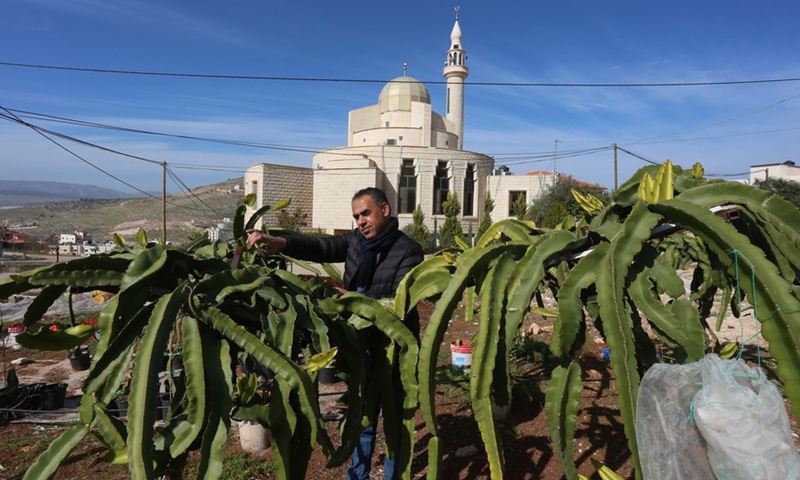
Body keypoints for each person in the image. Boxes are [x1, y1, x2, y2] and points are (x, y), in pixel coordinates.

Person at [246, 187, 423, 480]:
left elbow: (400, 305)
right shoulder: (355, 242)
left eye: (366, 213)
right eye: (356, 216)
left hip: (394, 352)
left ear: (385, 210)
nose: (360, 221)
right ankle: (358, 475)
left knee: (396, 421)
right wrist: (281, 242)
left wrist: (350, 298)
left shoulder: (409, 250)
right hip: (359, 346)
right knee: (361, 418)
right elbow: (322, 247)